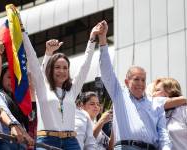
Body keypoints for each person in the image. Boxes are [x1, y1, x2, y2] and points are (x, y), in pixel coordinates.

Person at [23, 21, 104, 149]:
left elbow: (85, 66)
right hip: (46, 141)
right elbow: (32, 58)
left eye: (65, 68)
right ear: (50, 69)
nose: (62, 71)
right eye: (57, 67)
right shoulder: (42, 87)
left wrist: (92, 39)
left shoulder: (72, 90)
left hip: (71, 142)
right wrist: (22, 31)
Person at [99, 20, 171, 150]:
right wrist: (103, 39)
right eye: (136, 79)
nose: (141, 83)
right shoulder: (119, 95)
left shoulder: (155, 104)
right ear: (127, 82)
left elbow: (163, 134)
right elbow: (106, 71)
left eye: (143, 80)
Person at [152, 77, 187, 150]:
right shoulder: (155, 114)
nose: (153, 94)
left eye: (157, 90)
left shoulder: (184, 110)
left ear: (170, 91)